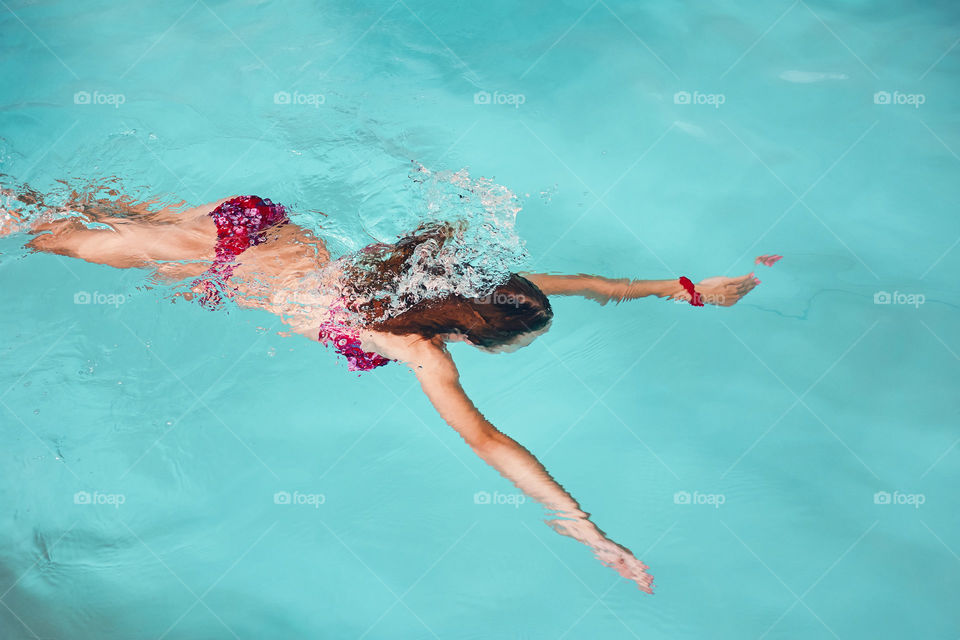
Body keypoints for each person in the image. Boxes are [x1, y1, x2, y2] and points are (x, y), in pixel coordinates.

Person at [2, 191, 761, 592]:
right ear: (465, 336)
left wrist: (687, 290)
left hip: (256, 223)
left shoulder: (470, 282)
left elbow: (594, 283)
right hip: (232, 264)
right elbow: (488, 440)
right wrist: (582, 525)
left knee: (80, 208)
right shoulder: (417, 348)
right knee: (54, 236)